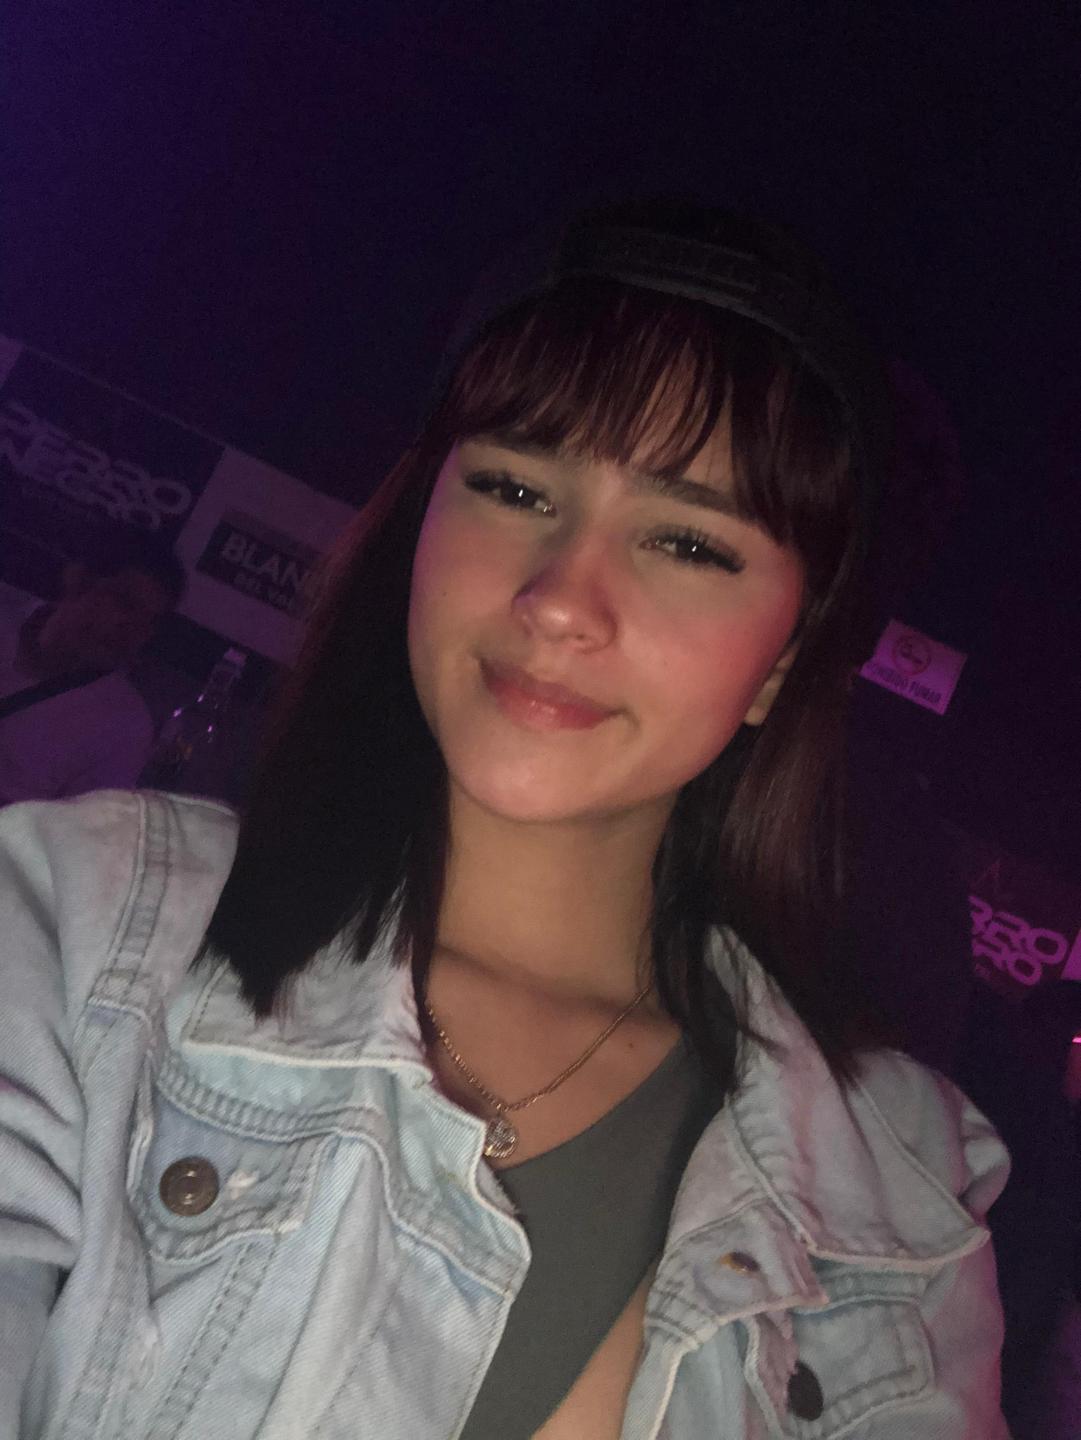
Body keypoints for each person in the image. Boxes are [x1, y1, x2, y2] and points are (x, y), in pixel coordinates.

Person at [0, 201, 1011, 1439]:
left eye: (688, 542)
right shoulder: (82, 931)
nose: (562, 600)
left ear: (781, 664)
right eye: (515, 486)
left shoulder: (892, 1192)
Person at [0, 532, 184, 804]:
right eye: (124, 603)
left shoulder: (124, 724)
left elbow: (76, 826)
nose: (130, 629)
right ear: (77, 579)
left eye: (148, 622)